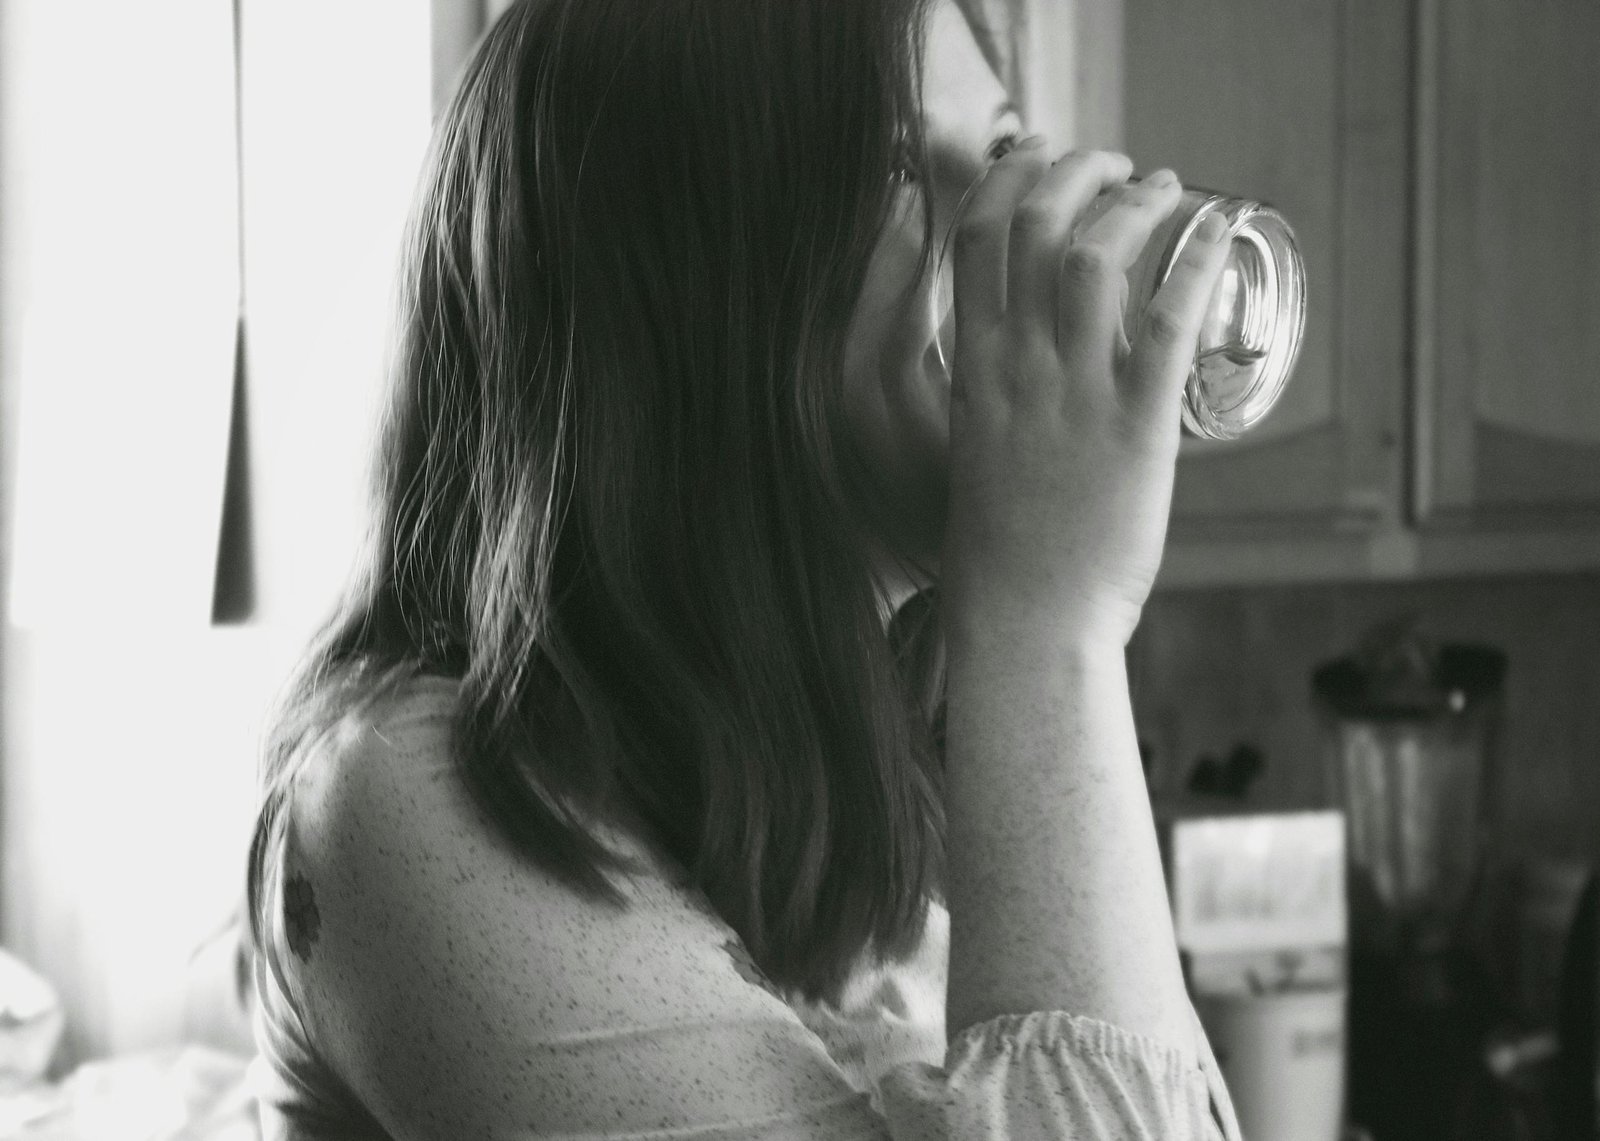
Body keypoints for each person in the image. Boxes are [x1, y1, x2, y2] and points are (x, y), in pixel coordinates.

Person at [246, 0, 1243, 1136]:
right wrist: (1049, 627)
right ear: (674, 289)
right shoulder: (407, 800)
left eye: (1005, 149)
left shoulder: (899, 762)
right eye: (897, 165)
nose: (1009, 232)